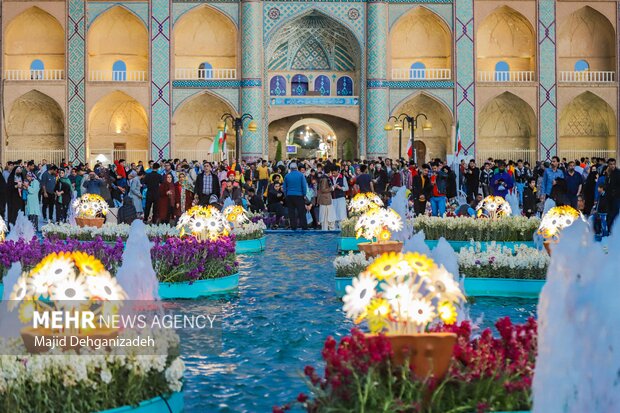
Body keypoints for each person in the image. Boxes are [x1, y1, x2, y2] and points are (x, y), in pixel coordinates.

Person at [282, 162, 308, 230]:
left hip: (290, 196)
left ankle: (293, 227)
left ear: (290, 168)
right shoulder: (301, 175)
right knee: (301, 212)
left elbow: (284, 188)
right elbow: (304, 186)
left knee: (291, 213)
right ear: (296, 168)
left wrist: (286, 195)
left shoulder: (287, 176)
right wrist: (304, 194)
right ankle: (304, 227)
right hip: (299, 196)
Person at [605, 158, 620, 232]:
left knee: (615, 212)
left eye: (614, 164)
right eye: (611, 164)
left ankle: (613, 228)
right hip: (608, 196)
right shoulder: (607, 172)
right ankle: (609, 228)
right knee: (609, 212)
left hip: (616, 196)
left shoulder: (618, 173)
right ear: (608, 165)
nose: (612, 166)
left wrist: (615, 192)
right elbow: (607, 184)